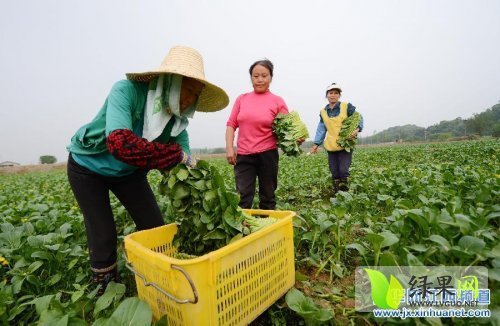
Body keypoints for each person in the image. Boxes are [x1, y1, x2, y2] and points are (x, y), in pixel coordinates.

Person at [66, 46, 229, 294]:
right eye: (186, 89)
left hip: (129, 173)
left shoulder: (177, 127)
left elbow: (183, 165)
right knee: (102, 231)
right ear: (170, 82)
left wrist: (205, 193)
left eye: (194, 95)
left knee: (154, 225)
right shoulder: (126, 91)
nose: (188, 99)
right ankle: (104, 293)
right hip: (88, 167)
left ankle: (163, 279)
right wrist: (172, 155)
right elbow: (120, 143)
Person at [225, 59, 289, 210]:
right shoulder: (242, 99)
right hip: (244, 155)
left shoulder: (277, 101)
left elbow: (287, 129)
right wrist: (229, 147)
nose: (260, 79)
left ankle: (267, 228)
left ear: (271, 78)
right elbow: (231, 124)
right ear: (251, 78)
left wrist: (296, 139)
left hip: (268, 155)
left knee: (268, 196)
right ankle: (244, 230)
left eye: (264, 76)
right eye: (256, 76)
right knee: (242, 196)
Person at [309, 83, 363, 194]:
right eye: (330, 93)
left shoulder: (346, 107)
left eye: (336, 93)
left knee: (343, 170)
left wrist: (356, 129)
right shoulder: (323, 112)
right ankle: (338, 194)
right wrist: (316, 144)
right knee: (334, 172)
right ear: (327, 95)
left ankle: (346, 194)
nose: (333, 95)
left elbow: (359, 118)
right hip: (331, 145)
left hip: (345, 144)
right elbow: (321, 128)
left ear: (339, 95)